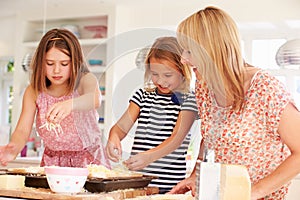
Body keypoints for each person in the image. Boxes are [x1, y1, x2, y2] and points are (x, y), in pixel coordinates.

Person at [168, 6, 300, 200]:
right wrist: (196, 174)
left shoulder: (265, 88)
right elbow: (211, 138)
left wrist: (252, 193)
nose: (183, 60)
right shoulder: (205, 88)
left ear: (213, 50)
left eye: (189, 51)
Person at [0, 28, 110, 168]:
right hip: (53, 162)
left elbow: (94, 99)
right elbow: (22, 130)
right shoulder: (33, 91)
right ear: (41, 63)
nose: (56, 70)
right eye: (50, 63)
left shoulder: (85, 80)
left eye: (64, 64)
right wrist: (13, 149)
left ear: (75, 62)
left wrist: (69, 104)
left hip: (88, 160)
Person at [106, 36, 199, 194]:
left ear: (183, 71)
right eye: (155, 74)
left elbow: (177, 137)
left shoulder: (188, 99)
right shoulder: (143, 95)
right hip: (138, 184)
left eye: (168, 75)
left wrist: (149, 157)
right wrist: (113, 137)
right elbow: (120, 128)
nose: (160, 81)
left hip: (169, 186)